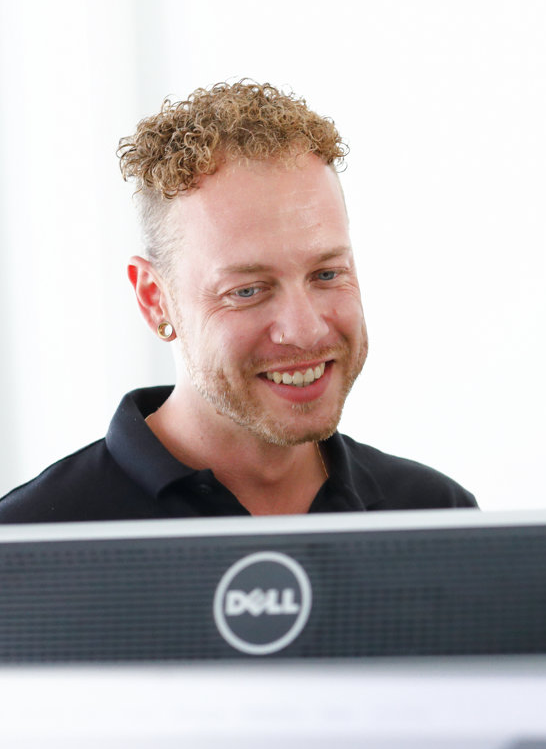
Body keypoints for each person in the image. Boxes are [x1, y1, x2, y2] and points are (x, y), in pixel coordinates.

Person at [0, 81, 475, 522]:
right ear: (154, 300)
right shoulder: (28, 541)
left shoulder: (437, 515)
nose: (305, 329)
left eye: (326, 274)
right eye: (247, 290)